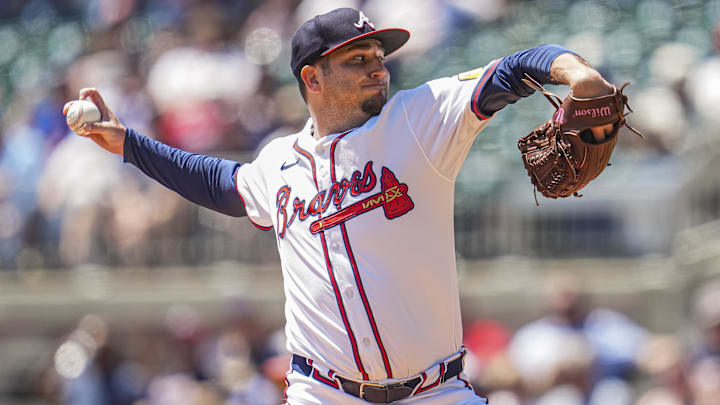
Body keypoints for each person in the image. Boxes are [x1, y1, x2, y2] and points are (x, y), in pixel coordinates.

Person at [64, 7, 618, 404]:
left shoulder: (420, 117)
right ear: (312, 77)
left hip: (436, 391)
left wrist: (577, 75)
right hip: (322, 393)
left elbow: (512, 67)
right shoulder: (278, 162)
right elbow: (217, 182)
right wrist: (127, 145)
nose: (378, 66)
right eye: (357, 58)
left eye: (379, 55)